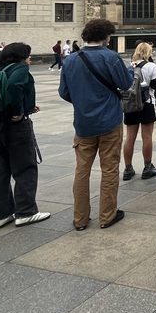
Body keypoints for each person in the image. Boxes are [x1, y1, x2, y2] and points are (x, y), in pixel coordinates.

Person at [59, 19, 133, 229]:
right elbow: (126, 84)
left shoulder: (71, 60)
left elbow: (64, 92)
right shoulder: (110, 57)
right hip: (109, 121)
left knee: (82, 170)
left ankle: (80, 219)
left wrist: (83, 102)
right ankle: (107, 215)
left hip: (83, 124)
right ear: (106, 37)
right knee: (109, 168)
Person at [0, 42, 50, 228]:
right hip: (14, 127)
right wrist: (18, 112)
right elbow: (13, 88)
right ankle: (26, 211)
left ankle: (0, 215)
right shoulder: (20, 69)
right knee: (25, 168)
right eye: (28, 55)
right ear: (21, 57)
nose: (30, 59)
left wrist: (27, 106)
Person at [122, 41, 156, 181]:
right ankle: (147, 166)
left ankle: (127, 168)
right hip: (147, 103)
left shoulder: (128, 65)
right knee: (147, 137)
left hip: (131, 104)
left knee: (130, 137)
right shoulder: (151, 66)